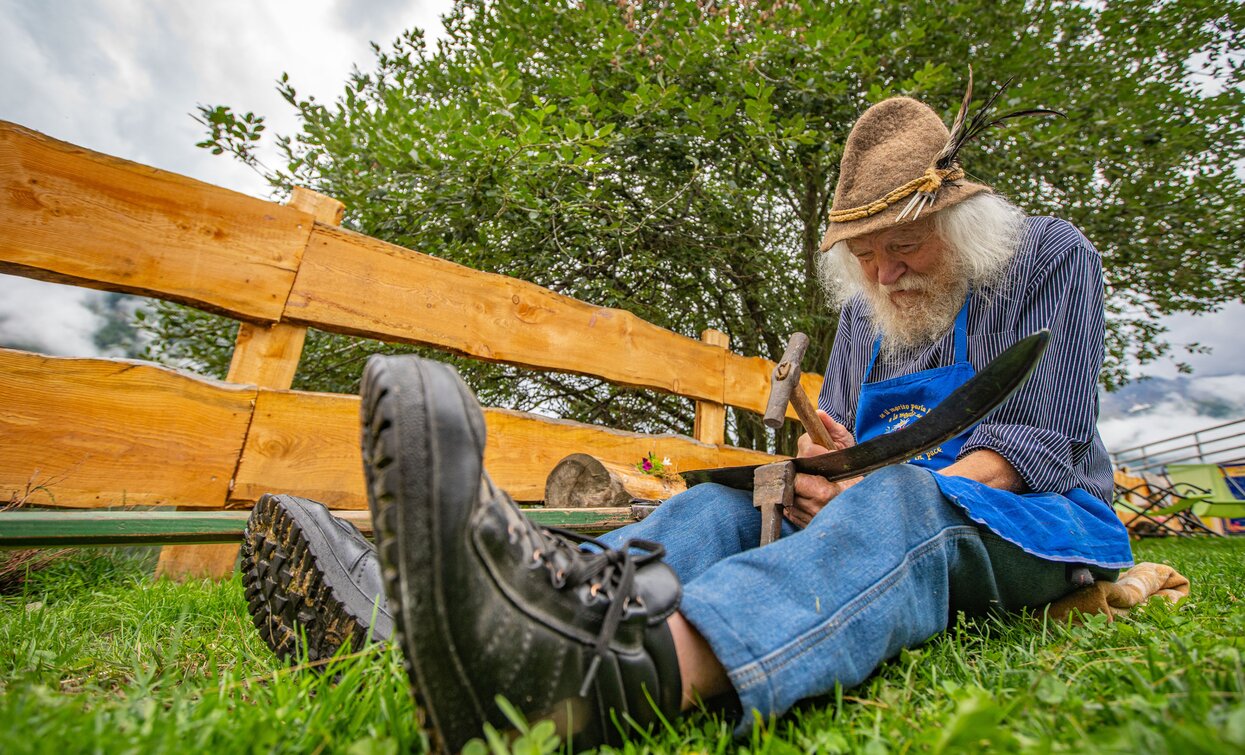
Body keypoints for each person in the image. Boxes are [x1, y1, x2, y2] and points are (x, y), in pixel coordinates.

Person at [247, 87, 1134, 750]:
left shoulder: (1048, 257)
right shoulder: (866, 313)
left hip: (1040, 521)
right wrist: (817, 468)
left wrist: (874, 489)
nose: (885, 276)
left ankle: (612, 675)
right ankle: (491, 612)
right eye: (864, 258)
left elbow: (1033, 445)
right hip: (885, 497)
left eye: (902, 248)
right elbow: (830, 439)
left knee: (895, 503)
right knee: (722, 505)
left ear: (960, 221)